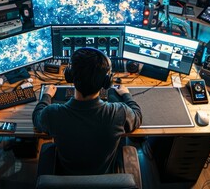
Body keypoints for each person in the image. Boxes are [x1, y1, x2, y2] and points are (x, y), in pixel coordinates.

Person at [32, 47, 142, 175]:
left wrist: (46, 96)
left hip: (67, 176)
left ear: (70, 76)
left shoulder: (52, 114)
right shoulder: (119, 113)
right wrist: (126, 95)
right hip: (106, 178)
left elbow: (36, 119)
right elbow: (137, 117)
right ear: (106, 82)